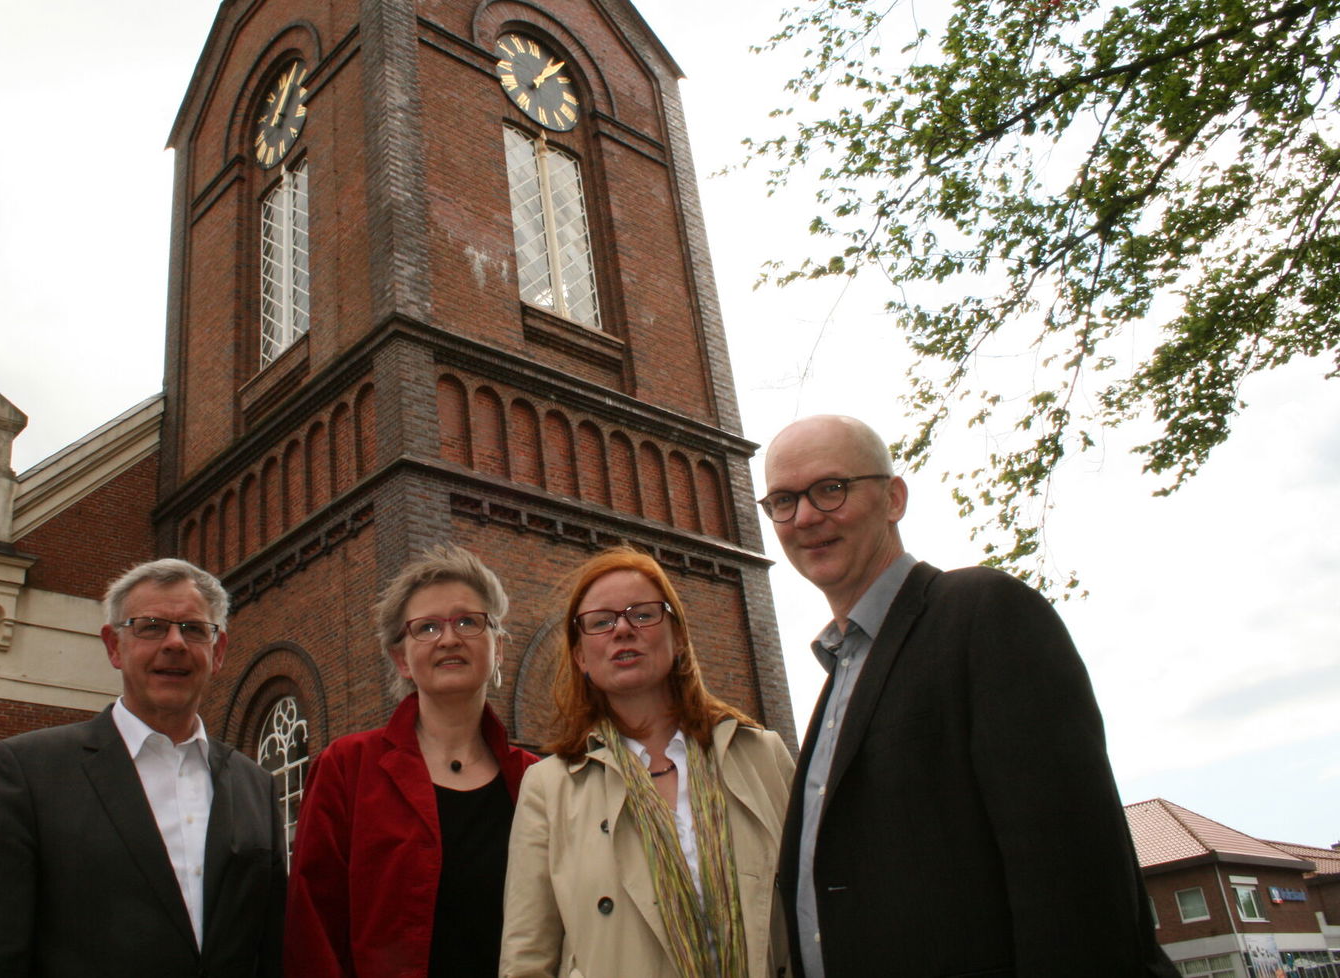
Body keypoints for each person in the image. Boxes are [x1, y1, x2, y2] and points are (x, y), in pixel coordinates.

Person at [762, 415, 1178, 978]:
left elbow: (1074, 877)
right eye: (783, 501)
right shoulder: (841, 672)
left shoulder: (983, 614)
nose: (806, 517)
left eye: (831, 489)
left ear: (894, 498)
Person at [0, 558, 285, 977]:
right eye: (151, 626)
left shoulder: (256, 785)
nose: (175, 643)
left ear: (218, 653)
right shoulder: (27, 771)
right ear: (113, 646)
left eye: (194, 629)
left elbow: (269, 951)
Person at [501, 546, 795, 978]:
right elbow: (527, 956)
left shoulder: (761, 756)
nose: (622, 629)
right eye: (601, 622)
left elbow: (815, 910)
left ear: (678, 638)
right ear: (581, 657)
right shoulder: (549, 787)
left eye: (642, 614)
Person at [283, 544, 539, 978]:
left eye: (468, 621)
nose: (450, 638)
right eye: (427, 628)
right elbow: (312, 927)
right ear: (401, 659)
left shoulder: (535, 778)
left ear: (498, 649)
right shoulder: (348, 767)